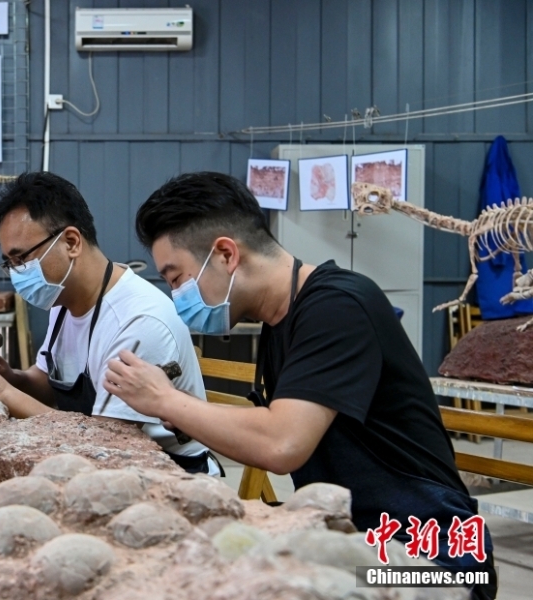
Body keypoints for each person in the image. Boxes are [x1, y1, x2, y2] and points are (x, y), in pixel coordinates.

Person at [105, 171, 496, 598]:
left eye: (176, 277)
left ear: (225, 254)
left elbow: (281, 443)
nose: (176, 294)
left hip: (435, 560)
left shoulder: (338, 306)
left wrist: (165, 400)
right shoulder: (278, 323)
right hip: (357, 539)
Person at [0, 171, 219, 474]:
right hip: (98, 464)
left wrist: (1, 392)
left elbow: (103, 445)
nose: (17, 273)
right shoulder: (63, 300)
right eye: (10, 264)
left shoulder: (138, 321)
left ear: (71, 242)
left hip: (166, 473)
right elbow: (46, 382)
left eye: (23, 259)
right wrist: (10, 378)